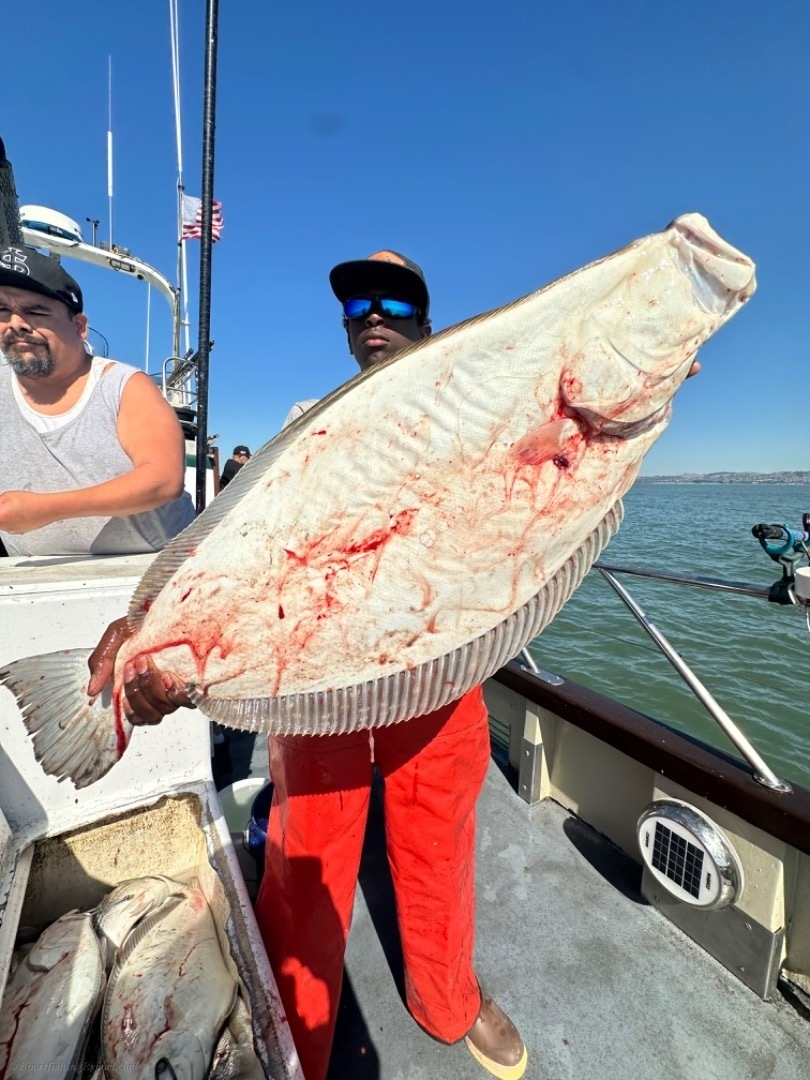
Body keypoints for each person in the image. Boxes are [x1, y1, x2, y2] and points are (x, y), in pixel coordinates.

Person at [90, 250, 528, 1080]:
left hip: (438, 675)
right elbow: (247, 549)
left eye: (393, 299)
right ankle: (295, 1034)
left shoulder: (481, 408)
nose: (371, 312)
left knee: (439, 842)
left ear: (427, 320)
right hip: (320, 680)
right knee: (308, 852)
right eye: (356, 302)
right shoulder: (305, 421)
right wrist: (154, 622)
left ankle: (450, 995)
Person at [0, 245, 195, 556]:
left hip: (153, 566)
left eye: (36, 311)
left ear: (79, 326)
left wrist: (45, 509)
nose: (16, 323)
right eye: (2, 311)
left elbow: (162, 479)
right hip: (31, 578)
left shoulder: (124, 386)